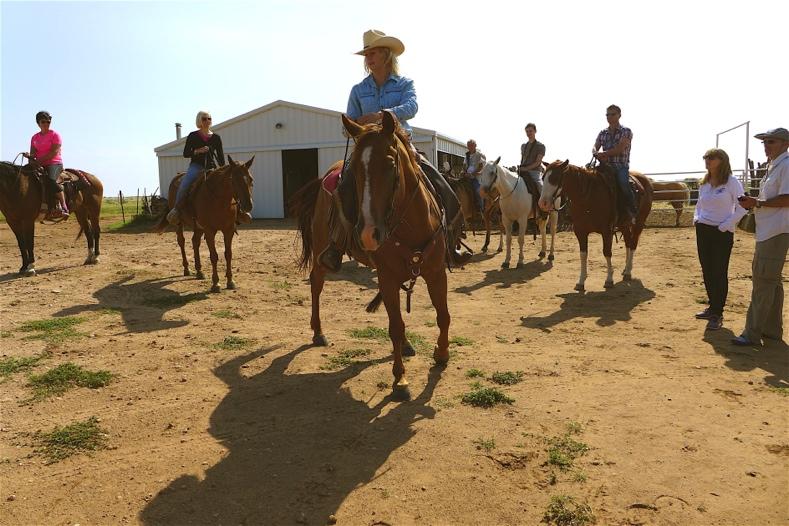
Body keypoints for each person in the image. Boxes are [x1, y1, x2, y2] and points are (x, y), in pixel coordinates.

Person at [319, 29, 471, 271]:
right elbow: (348, 124)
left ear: (387, 55)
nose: (368, 58)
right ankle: (337, 245)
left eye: (373, 52)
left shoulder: (404, 84)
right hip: (368, 150)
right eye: (366, 54)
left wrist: (382, 115)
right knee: (344, 185)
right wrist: (354, 125)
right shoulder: (358, 90)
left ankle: (451, 242)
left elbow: (412, 107)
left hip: (400, 146)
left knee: (440, 183)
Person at [732, 127, 789, 346]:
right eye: (764, 142)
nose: (766, 145)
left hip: (777, 230)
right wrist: (755, 201)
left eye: (771, 141)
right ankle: (772, 331)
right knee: (771, 282)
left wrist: (757, 203)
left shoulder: (785, 165)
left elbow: (787, 198)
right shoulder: (776, 165)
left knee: (763, 281)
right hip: (771, 230)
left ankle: (752, 333)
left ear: (785, 143)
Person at [693, 148, 747, 331]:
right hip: (703, 229)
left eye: (711, 158)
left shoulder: (732, 183)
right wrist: (697, 219)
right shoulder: (704, 182)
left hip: (722, 232)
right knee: (707, 269)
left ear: (722, 160)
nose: (707, 161)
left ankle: (717, 312)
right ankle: (711, 306)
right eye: (705, 157)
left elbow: (743, 207)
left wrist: (726, 224)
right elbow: (699, 204)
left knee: (719, 270)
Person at [167, 111, 230, 225]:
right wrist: (198, 151)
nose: (207, 121)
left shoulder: (216, 137)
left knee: (228, 184)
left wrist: (223, 170)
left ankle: (237, 212)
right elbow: (186, 153)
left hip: (211, 167)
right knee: (184, 184)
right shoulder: (193, 135)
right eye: (204, 119)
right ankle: (176, 210)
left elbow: (221, 157)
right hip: (196, 166)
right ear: (199, 121)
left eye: (209, 119)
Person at [593, 105, 637, 222]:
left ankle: (631, 210)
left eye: (613, 114)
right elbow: (595, 145)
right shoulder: (602, 133)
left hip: (620, 166)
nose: (609, 117)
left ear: (619, 115)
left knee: (623, 183)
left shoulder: (626, 131)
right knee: (588, 181)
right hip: (604, 166)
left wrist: (604, 154)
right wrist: (595, 152)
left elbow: (620, 149)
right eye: (607, 114)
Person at [22, 111, 69, 219]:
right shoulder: (35, 137)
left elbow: (53, 153)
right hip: (39, 164)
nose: (46, 124)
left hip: (55, 163)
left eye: (48, 122)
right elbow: (33, 153)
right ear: (38, 123)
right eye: (43, 122)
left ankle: (64, 207)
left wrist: (37, 161)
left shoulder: (55, 135)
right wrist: (29, 156)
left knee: (51, 180)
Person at [518, 123, 546, 194]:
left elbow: (538, 162)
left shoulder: (541, 146)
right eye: (527, 131)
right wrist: (520, 168)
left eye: (530, 131)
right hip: (523, 171)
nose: (528, 133)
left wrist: (526, 169)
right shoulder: (523, 146)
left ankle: (546, 204)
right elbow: (522, 160)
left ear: (535, 131)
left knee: (540, 186)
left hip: (534, 172)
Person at [463, 139, 486, 215]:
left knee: (478, 192)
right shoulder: (467, 155)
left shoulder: (480, 155)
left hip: (476, 178)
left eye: (471, 145)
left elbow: (481, 166)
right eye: (468, 145)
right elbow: (464, 165)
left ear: (475, 146)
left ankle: (481, 209)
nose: (470, 147)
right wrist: (464, 172)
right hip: (467, 177)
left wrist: (472, 174)